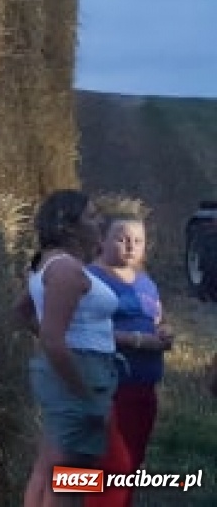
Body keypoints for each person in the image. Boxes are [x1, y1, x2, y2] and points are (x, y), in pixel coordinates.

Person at [17, 190, 119, 507]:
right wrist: (86, 397)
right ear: (68, 226)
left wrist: (61, 340)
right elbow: (51, 338)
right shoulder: (66, 271)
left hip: (67, 371)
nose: (99, 221)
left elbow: (22, 313)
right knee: (72, 478)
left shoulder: (50, 265)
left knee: (49, 469)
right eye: (91, 216)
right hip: (81, 373)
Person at [85, 207, 173, 507]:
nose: (131, 246)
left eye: (138, 240)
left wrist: (164, 331)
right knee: (112, 469)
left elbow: (158, 317)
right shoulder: (91, 280)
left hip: (143, 389)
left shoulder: (144, 280)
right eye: (122, 239)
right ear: (102, 241)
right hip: (110, 389)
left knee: (131, 466)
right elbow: (83, 330)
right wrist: (136, 341)